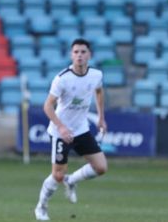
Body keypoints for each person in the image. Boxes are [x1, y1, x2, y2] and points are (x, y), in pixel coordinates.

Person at [34, 39, 108, 221]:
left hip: (81, 129)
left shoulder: (96, 75)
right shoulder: (62, 78)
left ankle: (72, 180)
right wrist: (61, 127)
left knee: (101, 167)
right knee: (57, 175)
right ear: (71, 55)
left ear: (89, 55)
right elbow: (47, 106)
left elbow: (99, 92)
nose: (79, 55)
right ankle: (41, 207)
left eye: (83, 52)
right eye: (76, 52)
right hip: (61, 132)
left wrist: (100, 117)